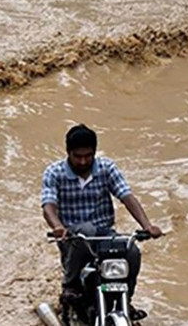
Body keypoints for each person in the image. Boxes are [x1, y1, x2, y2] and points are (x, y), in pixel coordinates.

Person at [42, 124, 164, 320]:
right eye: (78, 156)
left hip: (104, 234)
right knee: (86, 229)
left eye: (88, 156)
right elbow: (48, 205)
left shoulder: (107, 168)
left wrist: (147, 226)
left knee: (131, 251)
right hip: (73, 237)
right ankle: (70, 286)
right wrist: (57, 227)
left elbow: (126, 196)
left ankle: (126, 299)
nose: (83, 161)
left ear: (95, 152)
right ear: (68, 153)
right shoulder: (54, 172)